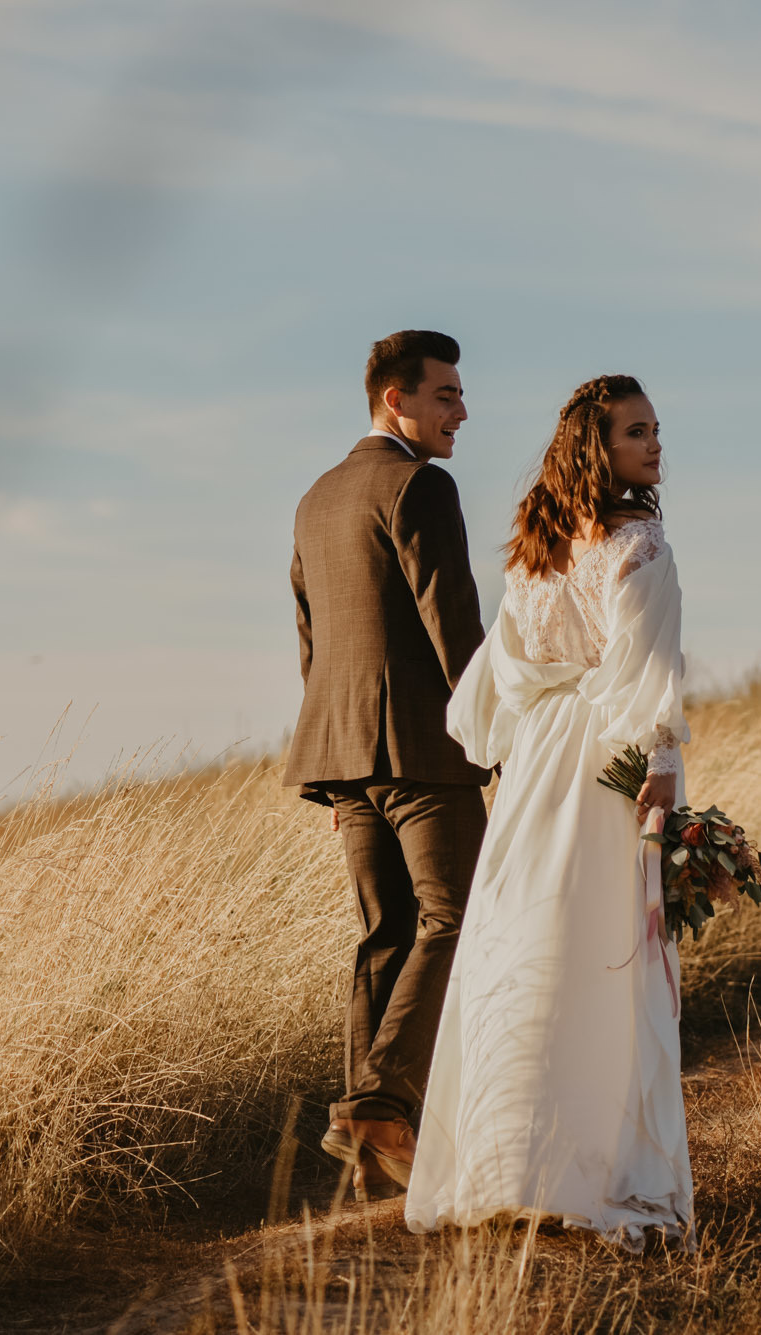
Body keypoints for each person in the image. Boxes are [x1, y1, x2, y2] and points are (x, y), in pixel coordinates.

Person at [404, 374, 693, 1251]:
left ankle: (507, 1164)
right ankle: (591, 1167)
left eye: (654, 429)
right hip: (605, 763)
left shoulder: (532, 554)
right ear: (596, 448)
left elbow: (492, 691)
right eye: (634, 432)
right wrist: (665, 765)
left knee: (524, 944)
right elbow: (648, 673)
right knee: (601, 954)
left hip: (535, 763)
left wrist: (532, 737)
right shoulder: (640, 543)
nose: (653, 445)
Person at [285, 330, 490, 1201]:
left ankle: (371, 1149)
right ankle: (379, 1101)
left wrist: (336, 774)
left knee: (385, 935)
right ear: (394, 401)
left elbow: (310, 634)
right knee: (457, 914)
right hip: (422, 750)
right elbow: (454, 624)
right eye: (444, 394)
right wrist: (497, 737)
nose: (461, 411)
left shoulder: (315, 499)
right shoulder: (420, 484)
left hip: (344, 752)